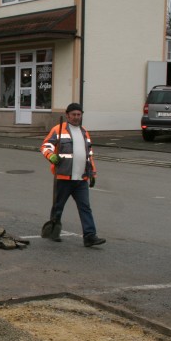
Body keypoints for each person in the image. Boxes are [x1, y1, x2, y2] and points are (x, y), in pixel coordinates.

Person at [40, 102, 106, 247]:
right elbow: (45, 146)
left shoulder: (84, 132)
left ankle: (90, 236)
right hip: (63, 177)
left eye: (79, 114)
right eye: (74, 114)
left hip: (81, 179)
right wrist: (51, 156)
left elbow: (89, 155)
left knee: (85, 207)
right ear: (67, 115)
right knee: (58, 206)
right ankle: (54, 231)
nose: (76, 117)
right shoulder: (58, 130)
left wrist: (92, 173)